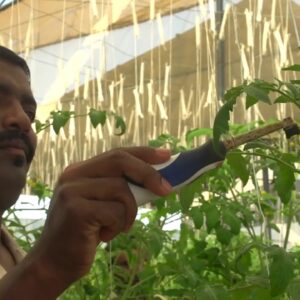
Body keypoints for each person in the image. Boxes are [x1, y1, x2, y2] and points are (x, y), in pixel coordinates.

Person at [0, 46, 172, 299]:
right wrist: (46, 268)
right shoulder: (35, 265)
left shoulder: (10, 251)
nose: (24, 121)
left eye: (30, 113)